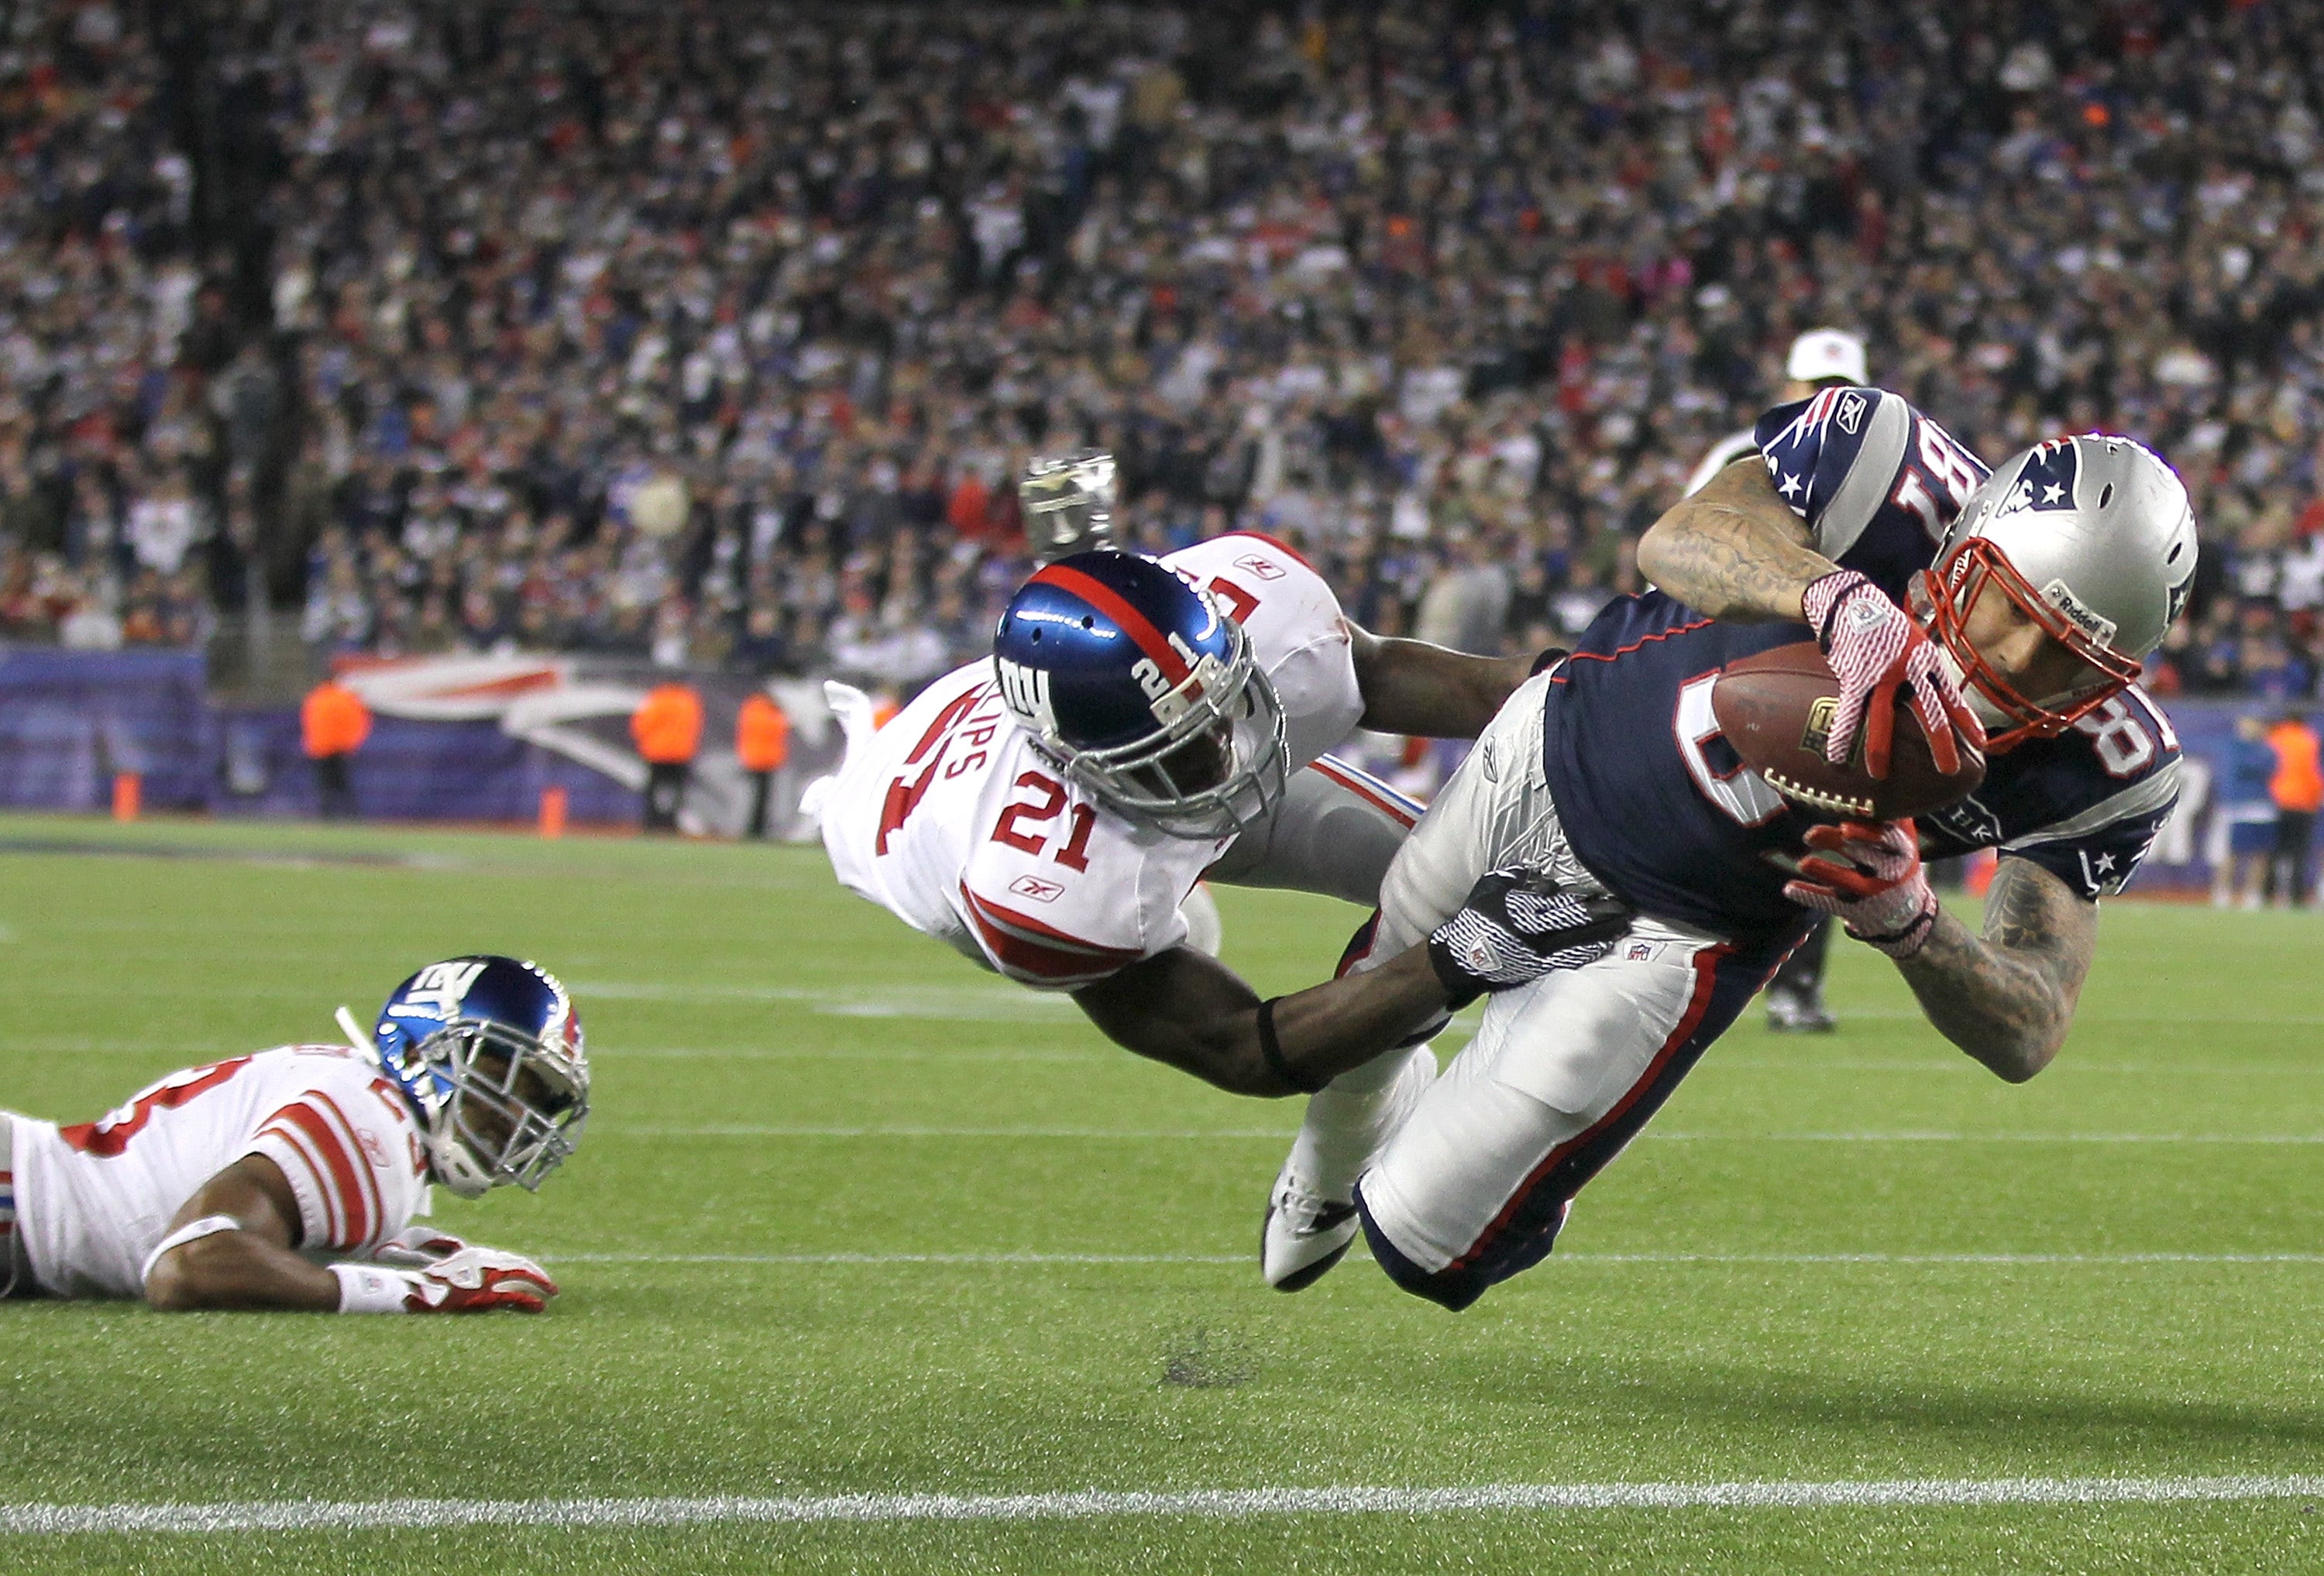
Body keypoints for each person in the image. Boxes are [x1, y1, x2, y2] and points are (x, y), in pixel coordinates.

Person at [1263, 387, 2197, 1306]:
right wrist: (1829, 592)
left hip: (1678, 930)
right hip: (1553, 753)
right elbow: (1677, 538)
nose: (2022, 664)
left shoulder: (2112, 762)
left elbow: (2031, 1027)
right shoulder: (1886, 468)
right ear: (1968, 541)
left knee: (1427, 1249)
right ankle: (1329, 1161)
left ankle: (1528, 1055)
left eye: (2075, 658)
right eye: (2014, 609)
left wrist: (1917, 928)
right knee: (1368, 1020)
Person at [822, 448, 1592, 1104]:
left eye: (1222, 708)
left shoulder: (1230, 623)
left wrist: (1588, 687)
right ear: (1079, 764)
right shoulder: (1037, 883)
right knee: (1472, 911)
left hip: (1120, 771)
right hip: (912, 818)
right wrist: (1460, 956)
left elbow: (1379, 669)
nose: (1227, 751)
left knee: (1465, 872)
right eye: (1182, 745)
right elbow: (1244, 1048)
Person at [1, 956, 589, 1313]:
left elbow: (274, 1228)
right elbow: (190, 1264)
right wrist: (409, 1294)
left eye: (538, 1098)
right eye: (504, 1076)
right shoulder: (370, 1122)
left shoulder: (370, 1110)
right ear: (419, 1049)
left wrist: (419, 1258)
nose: (517, 1114)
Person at [1683, 328, 1871, 1033]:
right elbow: (1685, 553)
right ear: (1789, 390)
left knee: (1815, 820)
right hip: (1722, 657)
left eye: (1841, 392)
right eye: (1816, 389)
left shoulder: (1875, 474)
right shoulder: (1741, 458)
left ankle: (1793, 984)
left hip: (1817, 666)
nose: (1826, 402)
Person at [2209, 715, 2278, 908]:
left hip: (2262, 806)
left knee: (2260, 855)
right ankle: (2222, 892)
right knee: (2231, 853)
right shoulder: (2231, 746)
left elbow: (2270, 767)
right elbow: (2236, 770)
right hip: (2236, 808)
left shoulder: (2267, 748)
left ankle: (2252, 894)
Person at [2264, 709, 2322, 908]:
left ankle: (2267, 892)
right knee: (2299, 851)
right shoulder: (2309, 741)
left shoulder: (2273, 738)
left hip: (2274, 801)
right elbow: (2312, 772)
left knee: (2274, 849)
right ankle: (2297, 895)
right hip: (2302, 802)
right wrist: (2316, 795)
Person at [631, 680, 703, 833]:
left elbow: (641, 724)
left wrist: (647, 742)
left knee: (653, 788)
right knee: (677, 789)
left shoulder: (657, 699)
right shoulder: (688, 701)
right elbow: (695, 727)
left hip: (657, 751)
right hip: (680, 753)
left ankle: (651, 822)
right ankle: (671, 822)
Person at [300, 675, 370, 820]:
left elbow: (308, 723)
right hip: (341, 747)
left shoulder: (315, 698)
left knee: (324, 786)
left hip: (320, 748)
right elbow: (360, 721)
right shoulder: (346, 699)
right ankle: (352, 816)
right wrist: (352, 742)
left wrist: (312, 743)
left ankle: (327, 816)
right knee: (343, 785)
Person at [737, 688, 792, 840]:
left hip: (756, 759)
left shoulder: (751, 710)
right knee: (760, 799)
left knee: (757, 798)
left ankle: (755, 829)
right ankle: (756, 830)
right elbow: (779, 728)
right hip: (764, 760)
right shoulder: (768, 714)